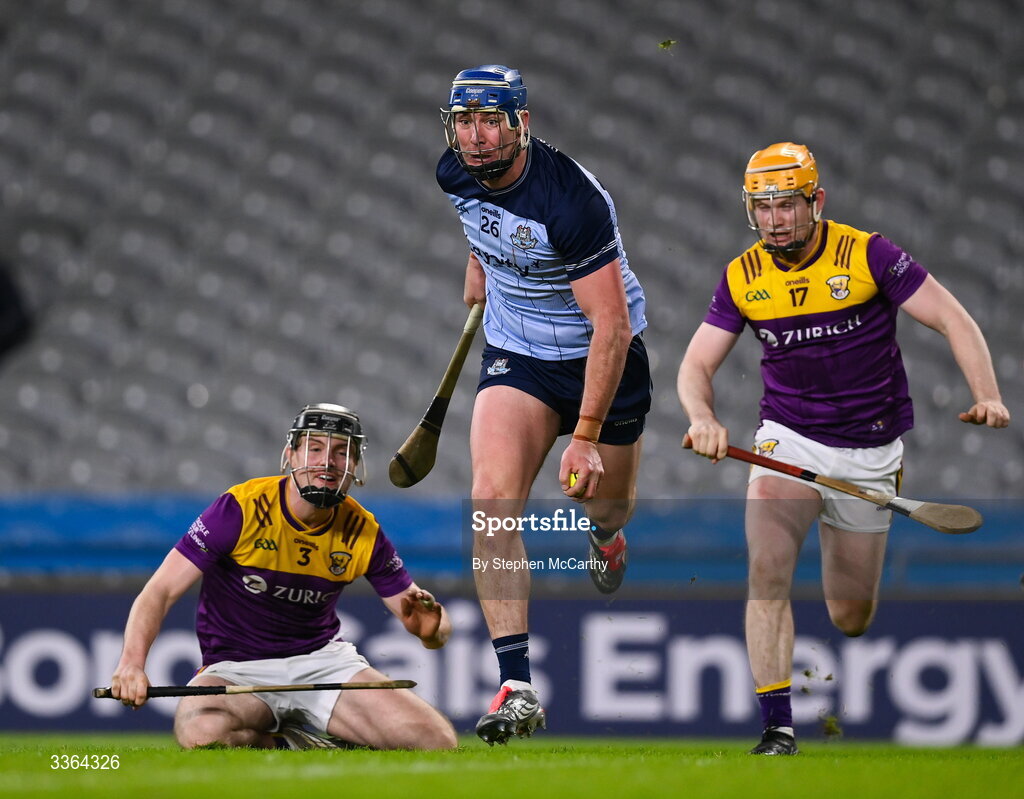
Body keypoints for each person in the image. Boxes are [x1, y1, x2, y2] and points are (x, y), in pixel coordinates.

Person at [677, 142, 1010, 755]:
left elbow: (953, 319)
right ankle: (777, 727)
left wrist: (986, 394)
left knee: (850, 617)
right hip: (788, 439)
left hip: (871, 451)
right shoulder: (742, 275)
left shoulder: (868, 254)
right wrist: (703, 417)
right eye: (763, 206)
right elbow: (696, 362)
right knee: (766, 566)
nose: (775, 218)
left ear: (816, 201)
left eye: (787, 205)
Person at [437, 65, 651, 744]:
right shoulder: (453, 171)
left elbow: (612, 327)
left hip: (597, 353)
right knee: (490, 498)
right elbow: (480, 224)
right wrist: (479, 262)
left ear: (521, 124)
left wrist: (585, 434)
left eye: (490, 120)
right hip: (518, 354)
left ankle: (606, 536)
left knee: (607, 503)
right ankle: (516, 683)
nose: (474, 136)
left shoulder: (571, 201)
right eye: (463, 121)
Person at [111, 403, 457, 751]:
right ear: (290, 454)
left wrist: (432, 632)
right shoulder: (240, 508)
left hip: (322, 664)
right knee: (202, 734)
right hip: (236, 668)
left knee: (436, 741)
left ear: (354, 465)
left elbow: (426, 621)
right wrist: (131, 664)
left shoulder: (362, 530)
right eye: (316, 447)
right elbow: (160, 591)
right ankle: (300, 744)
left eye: (341, 452)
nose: (327, 462)